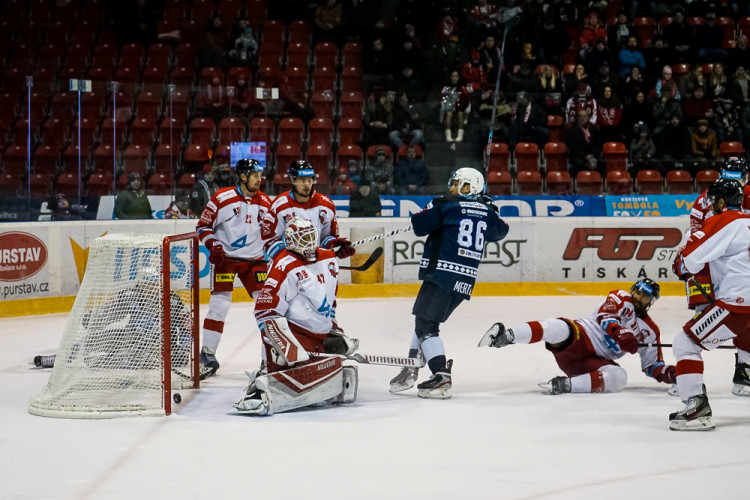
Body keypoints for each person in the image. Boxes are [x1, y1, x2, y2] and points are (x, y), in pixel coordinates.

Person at [389, 168, 509, 399]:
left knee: (427, 327)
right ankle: (412, 367)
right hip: (464, 281)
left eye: (456, 184)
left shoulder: (446, 205)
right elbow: (500, 231)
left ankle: (440, 376)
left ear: (467, 187)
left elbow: (419, 225)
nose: (451, 188)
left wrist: (434, 207)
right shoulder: (487, 211)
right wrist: (488, 206)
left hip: (441, 274)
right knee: (425, 321)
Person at [233, 217, 358, 415]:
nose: (308, 244)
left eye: (310, 237)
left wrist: (333, 327)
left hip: (320, 334)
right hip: (297, 334)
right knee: (303, 368)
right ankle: (268, 373)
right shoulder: (283, 265)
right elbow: (265, 312)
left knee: (332, 361)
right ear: (290, 241)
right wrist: (288, 347)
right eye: (302, 239)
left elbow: (329, 298)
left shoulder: (328, 258)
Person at [479, 279, 675, 395]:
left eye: (645, 296)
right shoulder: (621, 297)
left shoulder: (650, 330)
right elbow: (607, 319)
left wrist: (675, 374)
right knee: (558, 327)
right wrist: (620, 333)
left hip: (591, 363)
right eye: (638, 292)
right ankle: (507, 336)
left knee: (619, 378)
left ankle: (566, 385)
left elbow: (652, 367)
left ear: (651, 302)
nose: (639, 297)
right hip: (579, 335)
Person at [669, 179, 750, 430]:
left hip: (739, 303)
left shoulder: (723, 220)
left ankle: (696, 409)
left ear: (723, 202)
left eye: (714, 201)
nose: (712, 206)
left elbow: (690, 259)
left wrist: (681, 265)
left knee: (685, 343)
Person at [195, 159, 272, 378]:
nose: (260, 179)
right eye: (256, 175)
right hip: (226, 259)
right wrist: (213, 244)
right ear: (243, 176)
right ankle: (207, 355)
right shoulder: (222, 198)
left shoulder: (266, 202)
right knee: (219, 305)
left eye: (260, 175)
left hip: (255, 261)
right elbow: (202, 226)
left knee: (267, 307)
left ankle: (270, 357)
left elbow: (272, 232)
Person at [33, 266, 193, 371]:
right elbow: (111, 314)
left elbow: (187, 327)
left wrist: (183, 351)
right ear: (140, 285)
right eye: (147, 286)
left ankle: (102, 361)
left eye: (154, 285)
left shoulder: (173, 301)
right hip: (131, 337)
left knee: (120, 359)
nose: (151, 289)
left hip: (156, 347)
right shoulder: (131, 296)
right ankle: (57, 359)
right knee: (91, 340)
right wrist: (94, 318)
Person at [261, 160, 355, 261]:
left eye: (309, 180)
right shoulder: (279, 205)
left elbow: (325, 239)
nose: (307, 185)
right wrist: (290, 259)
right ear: (293, 180)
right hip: (287, 267)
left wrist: (335, 245)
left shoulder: (326, 205)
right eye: (302, 180)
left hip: (315, 266)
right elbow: (268, 240)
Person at [566, 109, 601, 177]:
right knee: (580, 163)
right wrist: (585, 156)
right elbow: (573, 147)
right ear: (577, 118)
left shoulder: (593, 129)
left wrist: (592, 155)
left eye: (584, 116)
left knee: (602, 163)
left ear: (588, 117)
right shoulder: (572, 130)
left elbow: (598, 144)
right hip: (578, 156)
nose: (583, 118)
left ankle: (597, 183)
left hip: (592, 155)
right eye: (581, 116)